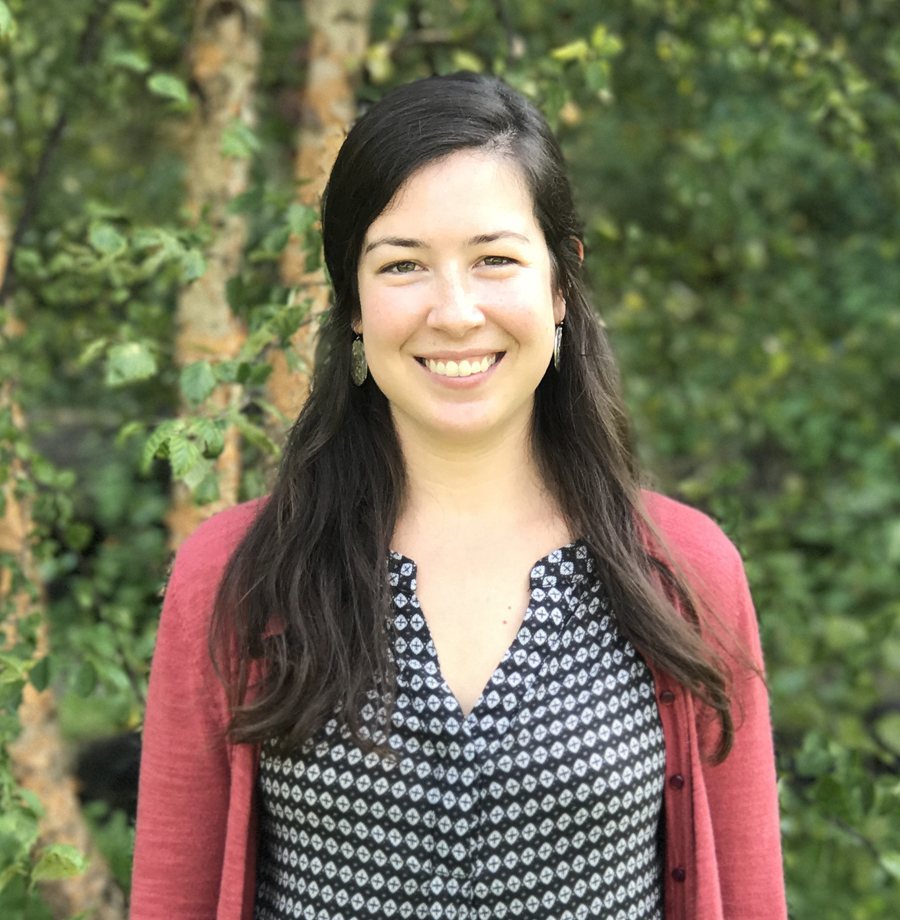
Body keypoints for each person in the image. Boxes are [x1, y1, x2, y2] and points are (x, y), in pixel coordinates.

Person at [130, 72, 786, 920]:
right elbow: (172, 896)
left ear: (559, 284)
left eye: (495, 260)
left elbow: (750, 898)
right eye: (402, 264)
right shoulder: (235, 576)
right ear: (354, 302)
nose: (454, 310)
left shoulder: (689, 574)